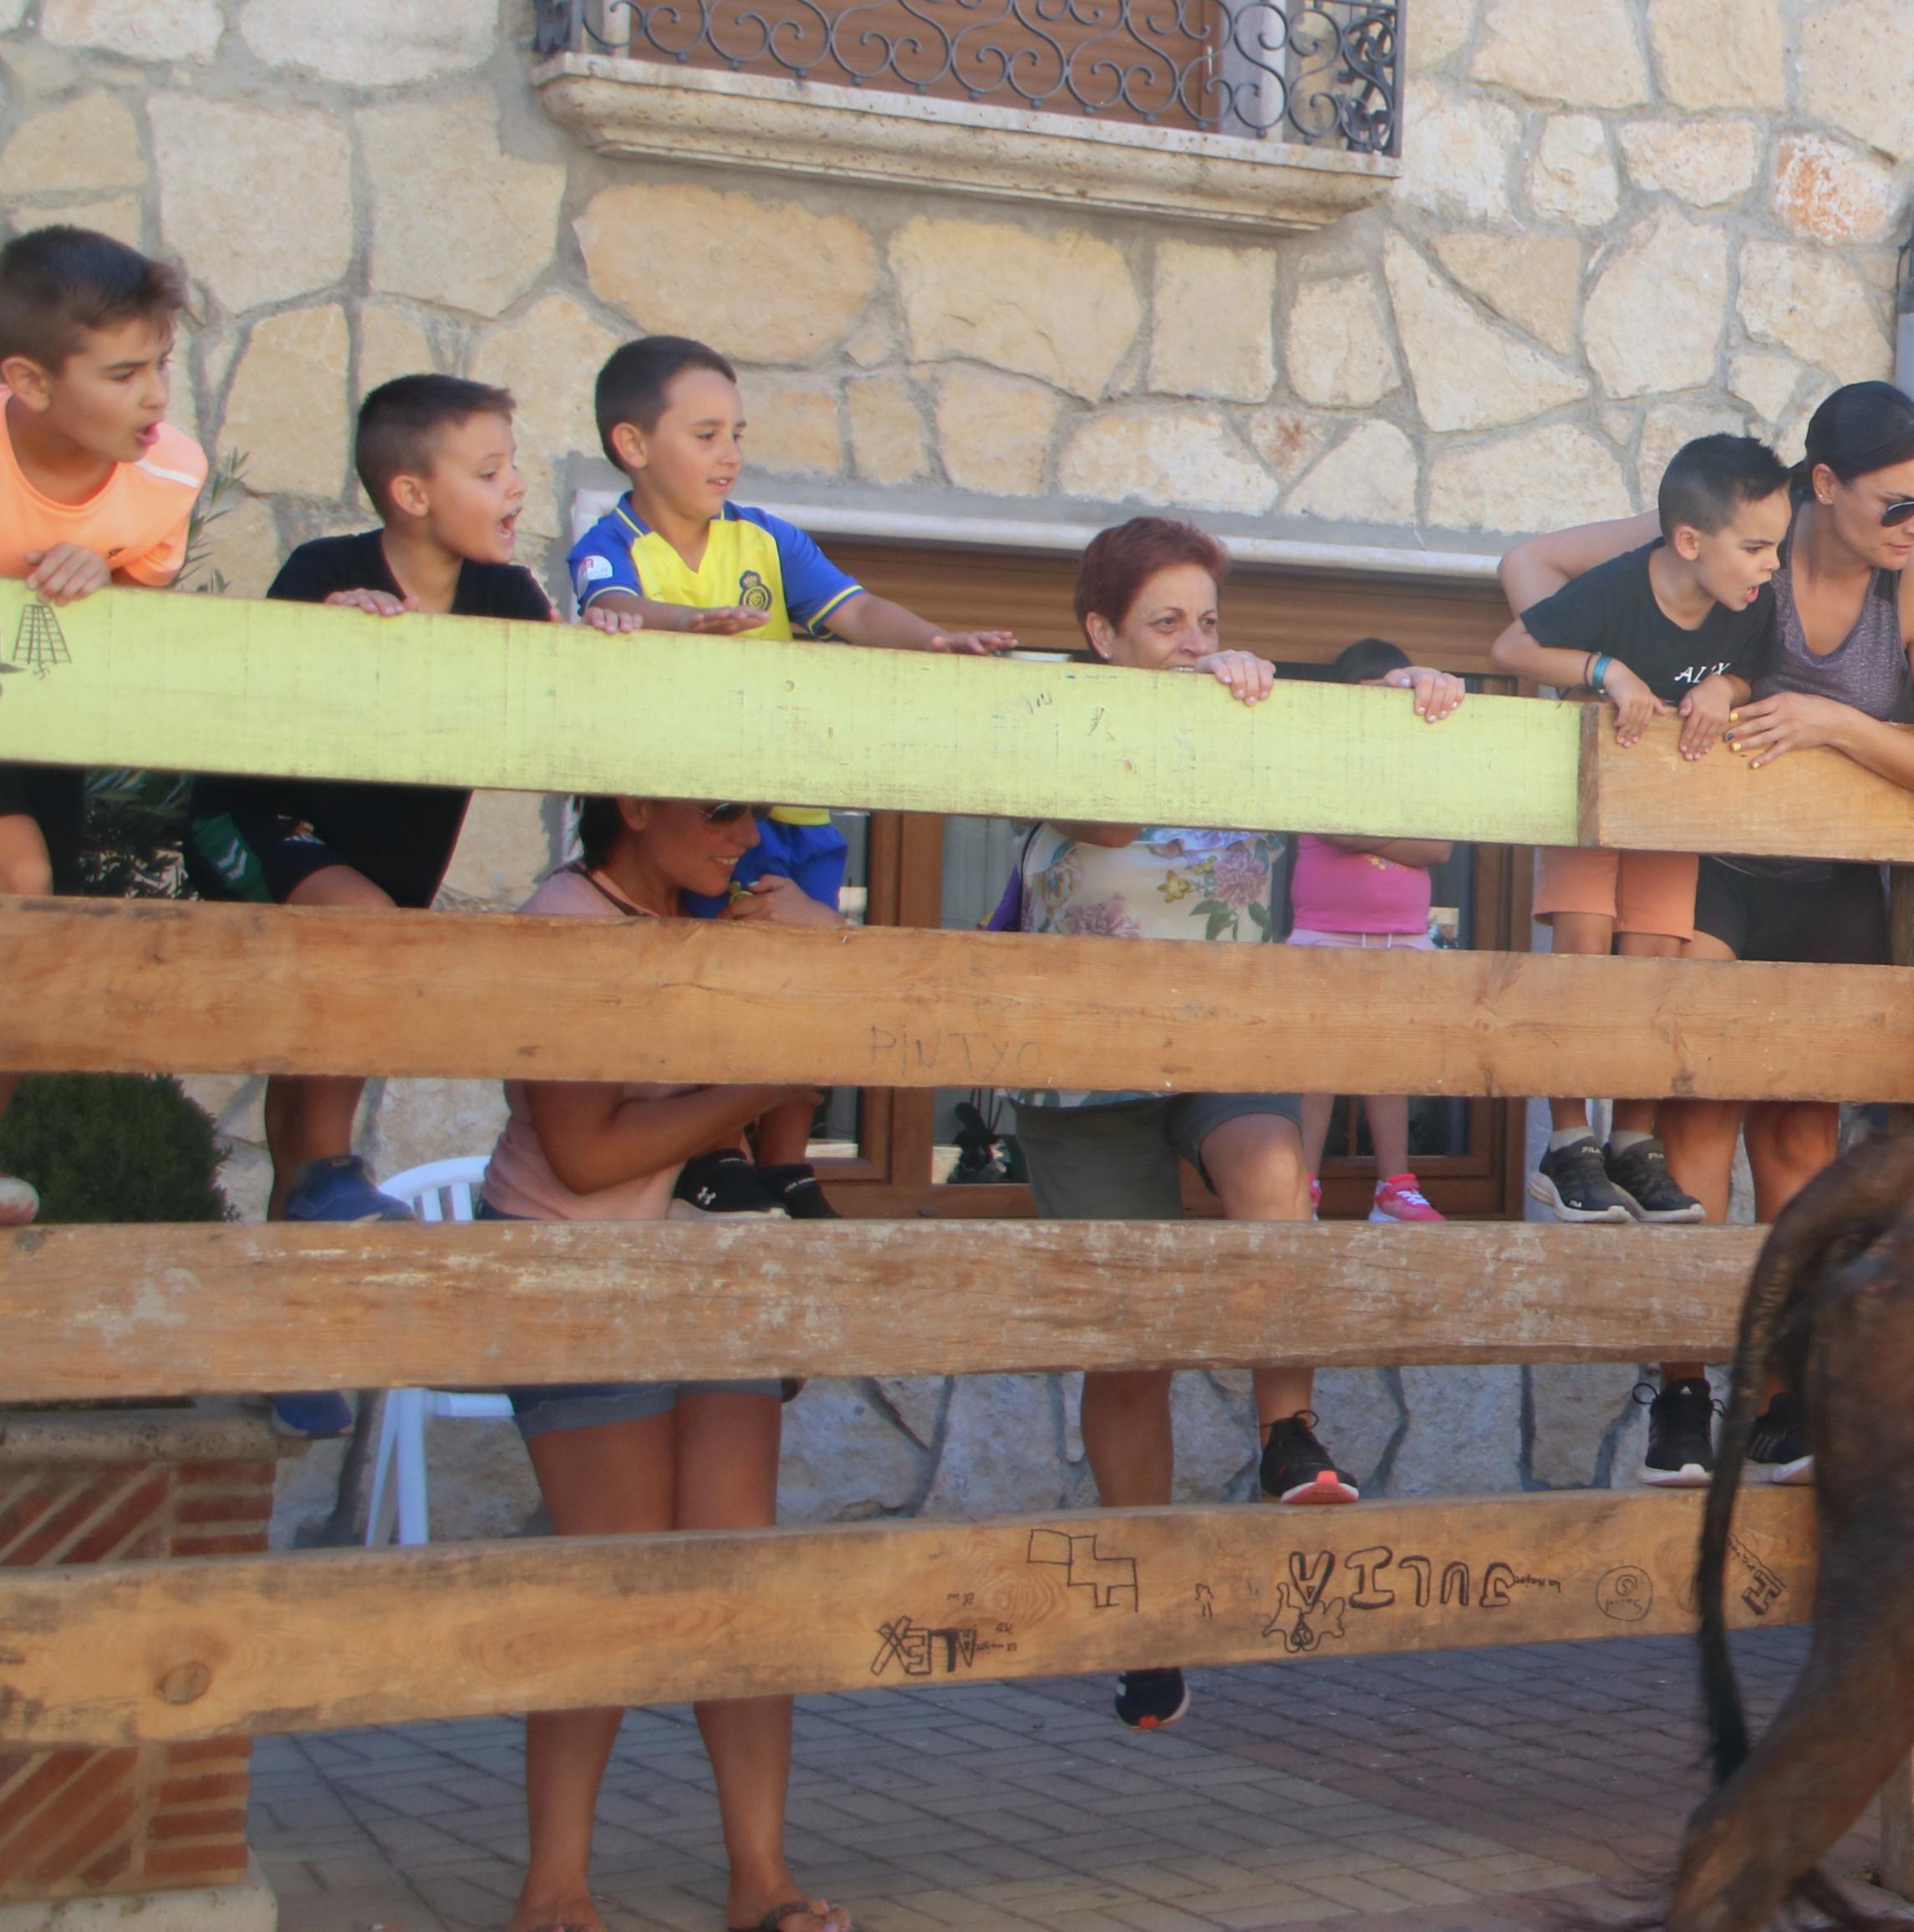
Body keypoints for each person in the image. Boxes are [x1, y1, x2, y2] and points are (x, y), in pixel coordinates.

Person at [1014, 517, 1461, 1733]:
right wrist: (1195, 712)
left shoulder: (1252, 713)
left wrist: (1398, 705)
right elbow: (1103, 823)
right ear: (1099, 636)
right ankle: (1144, 1617)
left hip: (1224, 1043)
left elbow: (1421, 839)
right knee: (1133, 1344)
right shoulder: (1054, 710)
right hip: (1081, 1072)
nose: (1194, 643)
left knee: (1274, 1177)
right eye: (1164, 624)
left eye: (1206, 620)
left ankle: (1285, 1434)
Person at [1503, 385, 1914, 1487]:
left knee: (1795, 1148)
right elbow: (1530, 570)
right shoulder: (1741, 537)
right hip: (1709, 868)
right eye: (1898, 504)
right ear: (1821, 484)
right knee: (1693, 1116)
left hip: (1828, 884)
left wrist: (1836, 724)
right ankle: (1680, 1389)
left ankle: (1780, 1392)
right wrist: (1607, 682)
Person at [476, 793, 843, 1932]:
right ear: (637, 805)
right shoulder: (567, 923)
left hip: (706, 1254)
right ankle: (554, 1894)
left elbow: (845, 993)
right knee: (615, 1576)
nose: (747, 842)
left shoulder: (708, 915)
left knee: (737, 1572)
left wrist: (805, 956)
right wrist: (763, 1080)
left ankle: (763, 1882)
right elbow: (584, 1157)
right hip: (573, 1258)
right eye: (725, 816)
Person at [190, 378, 643, 1243]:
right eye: (489, 469)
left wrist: (608, 639)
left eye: (512, 466)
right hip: (254, 825)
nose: (514, 485)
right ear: (410, 493)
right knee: (364, 939)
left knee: (335, 1016)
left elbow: (559, 690)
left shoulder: (504, 594)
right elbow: (257, 689)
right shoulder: (327, 571)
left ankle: (301, 1249)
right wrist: (331, 631)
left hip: (383, 872)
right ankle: (326, 1176)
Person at [567, 335, 1016, 1205]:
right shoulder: (608, 538)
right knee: (726, 982)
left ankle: (787, 1163)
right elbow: (608, 604)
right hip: (701, 816)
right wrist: (675, 622)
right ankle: (722, 1157)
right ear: (631, 445)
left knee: (802, 986)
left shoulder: (766, 538)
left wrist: (933, 640)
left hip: (796, 808)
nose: (729, 453)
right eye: (705, 433)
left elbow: (855, 609)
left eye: (736, 432)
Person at [1491, 434, 1792, 1228]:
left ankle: (1630, 1142)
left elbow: (1759, 667)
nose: (1771, 566)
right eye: (1756, 547)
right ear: (1690, 541)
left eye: (1776, 548)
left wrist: (1726, 686)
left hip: (1669, 808)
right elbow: (1513, 645)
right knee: (1583, 953)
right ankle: (1566, 1146)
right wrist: (1605, 672)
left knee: (1657, 961)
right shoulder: (1619, 590)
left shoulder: (1748, 607)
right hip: (1588, 806)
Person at [0, 226, 200, 1233]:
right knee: (22, 880)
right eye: (123, 374)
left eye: (160, 365)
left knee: (40, 926)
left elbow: (132, 612)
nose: (156, 397)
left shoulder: (167, 475)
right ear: (28, 383)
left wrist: (105, 580)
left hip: (41, 726)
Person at [1291, 638, 1459, 1224]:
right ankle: (1299, 1187)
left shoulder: (1416, 764)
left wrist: (1367, 832)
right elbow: (1333, 828)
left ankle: (1395, 1185)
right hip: (1323, 935)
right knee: (1315, 1068)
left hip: (1401, 938)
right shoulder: (1321, 756)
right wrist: (1392, 836)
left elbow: (1436, 847)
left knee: (1389, 1064)